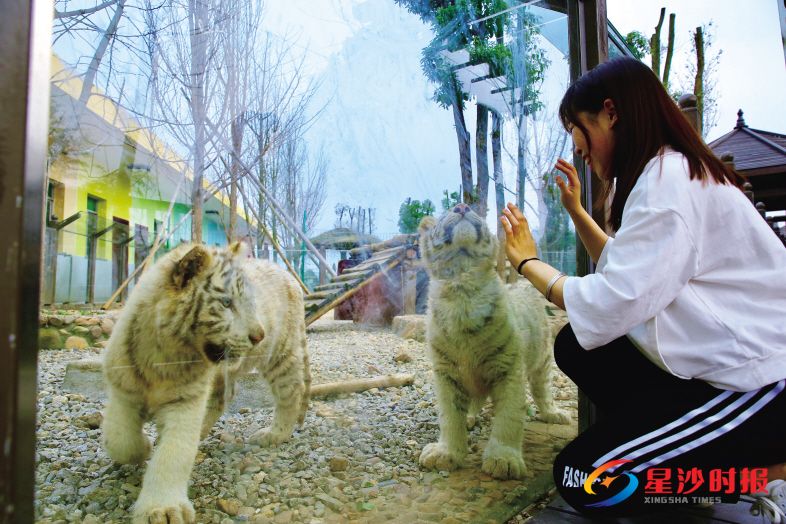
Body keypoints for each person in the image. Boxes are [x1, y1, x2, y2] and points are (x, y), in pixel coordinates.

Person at [499, 56, 786, 520]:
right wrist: (575, 210)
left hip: (759, 388)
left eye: (578, 127)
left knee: (584, 478)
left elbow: (613, 302)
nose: (577, 147)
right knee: (576, 346)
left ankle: (761, 475)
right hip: (722, 370)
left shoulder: (668, 186)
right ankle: (676, 449)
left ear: (611, 112)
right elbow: (630, 270)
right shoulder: (669, 172)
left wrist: (528, 263)